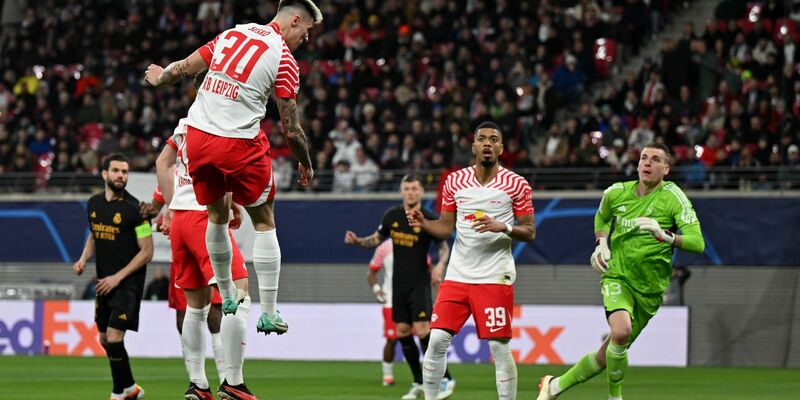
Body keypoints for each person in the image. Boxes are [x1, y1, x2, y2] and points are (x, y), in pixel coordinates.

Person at [144, 0, 322, 342]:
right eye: (307, 31)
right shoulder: (284, 58)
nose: (306, 39)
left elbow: (184, 67)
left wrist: (160, 77)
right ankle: (269, 311)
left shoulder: (231, 34)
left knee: (217, 215)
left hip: (198, 138)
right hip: (238, 143)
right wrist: (306, 162)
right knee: (264, 219)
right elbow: (290, 127)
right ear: (295, 21)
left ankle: (226, 294)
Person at [537, 143, 705, 400]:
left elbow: (698, 242)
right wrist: (601, 243)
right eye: (644, 158)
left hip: (650, 289)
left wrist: (666, 236)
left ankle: (553, 386)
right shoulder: (616, 192)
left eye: (655, 159)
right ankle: (615, 397)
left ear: (666, 169)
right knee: (621, 331)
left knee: (607, 354)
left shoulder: (673, 197)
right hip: (617, 275)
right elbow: (602, 217)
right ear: (638, 164)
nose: (647, 163)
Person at [406, 121, 536, 400]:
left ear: (501, 148)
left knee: (499, 348)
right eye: (482, 139)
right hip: (458, 276)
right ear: (474, 146)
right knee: (436, 341)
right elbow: (445, 227)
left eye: (494, 139)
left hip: (494, 277)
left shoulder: (517, 184)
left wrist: (504, 227)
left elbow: (529, 231)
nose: (488, 143)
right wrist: (423, 222)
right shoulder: (455, 181)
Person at [153, 69, 252, 400]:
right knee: (239, 291)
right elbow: (224, 170)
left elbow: (162, 162)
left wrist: (170, 207)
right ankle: (233, 381)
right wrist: (232, 204)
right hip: (202, 217)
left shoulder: (185, 124)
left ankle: (198, 384)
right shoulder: (218, 122)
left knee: (195, 308)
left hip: (181, 219)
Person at [344, 174, 455, 400]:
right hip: (398, 285)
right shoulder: (392, 216)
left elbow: (444, 247)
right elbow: (376, 239)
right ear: (402, 191)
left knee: (423, 331)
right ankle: (419, 382)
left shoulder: (428, 218)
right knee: (402, 332)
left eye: (414, 188)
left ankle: (445, 378)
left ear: (421, 192)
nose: (410, 192)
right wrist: (357, 241)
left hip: (419, 283)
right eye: (407, 188)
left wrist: (440, 265)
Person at [73, 153, 154, 400]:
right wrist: (83, 259)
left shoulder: (137, 210)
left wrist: (118, 278)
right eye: (116, 170)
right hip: (104, 284)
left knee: (114, 336)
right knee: (104, 339)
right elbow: (94, 234)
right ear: (104, 174)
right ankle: (128, 387)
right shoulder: (93, 203)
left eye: (125, 172)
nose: (121, 175)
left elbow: (147, 252)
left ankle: (120, 392)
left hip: (127, 284)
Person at [367, 239, 398, 387]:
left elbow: (428, 269)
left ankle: (429, 377)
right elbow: (371, 273)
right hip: (391, 301)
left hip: (413, 300)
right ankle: (388, 376)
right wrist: (377, 290)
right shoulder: (385, 247)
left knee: (424, 338)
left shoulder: (418, 241)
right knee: (392, 339)